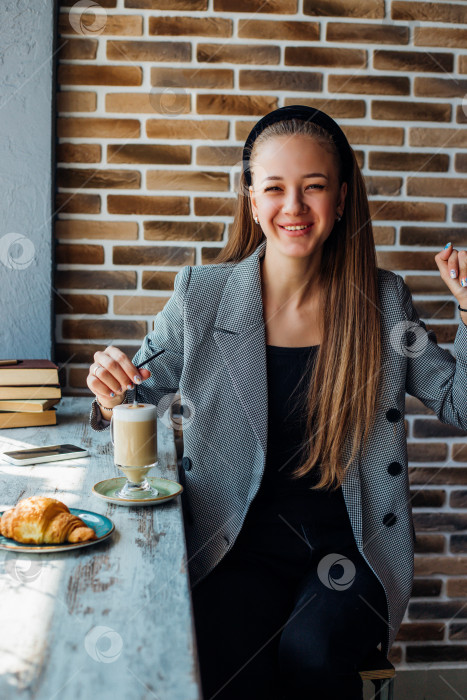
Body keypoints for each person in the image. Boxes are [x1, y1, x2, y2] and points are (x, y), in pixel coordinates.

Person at [87, 105, 467, 700]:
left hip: (348, 552)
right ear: (251, 199)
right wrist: (109, 389)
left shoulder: (383, 303)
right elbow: (134, 391)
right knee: (226, 664)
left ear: (341, 200)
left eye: (313, 188)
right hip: (233, 548)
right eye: (275, 188)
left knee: (312, 655)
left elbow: (460, 402)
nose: (294, 206)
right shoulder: (201, 297)